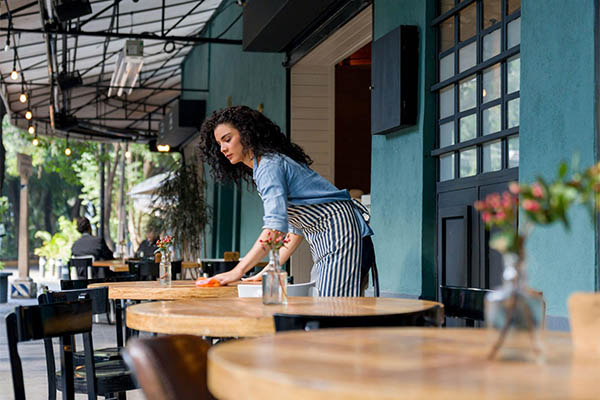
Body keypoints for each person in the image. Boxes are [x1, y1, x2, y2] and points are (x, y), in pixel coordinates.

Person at [198, 105, 375, 296]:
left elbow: (275, 227)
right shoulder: (262, 166)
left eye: (227, 139)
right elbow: (295, 228)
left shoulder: (268, 165)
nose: (223, 148)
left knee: (333, 307)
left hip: (340, 232)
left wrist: (237, 271)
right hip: (329, 236)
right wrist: (270, 268)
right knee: (324, 301)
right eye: (219, 144)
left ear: (246, 133)